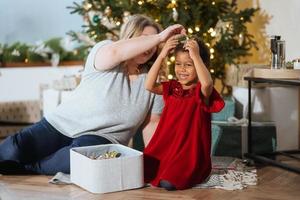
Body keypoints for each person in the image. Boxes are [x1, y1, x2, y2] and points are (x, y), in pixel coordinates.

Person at [0, 15, 186, 175]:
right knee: (12, 149)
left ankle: (29, 169)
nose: (151, 44)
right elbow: (116, 51)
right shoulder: (106, 50)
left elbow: (151, 123)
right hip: (60, 123)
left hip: (103, 137)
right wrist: (160, 36)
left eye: (155, 41)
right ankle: (18, 162)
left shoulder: (154, 82)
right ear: (131, 37)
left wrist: (158, 160)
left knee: (76, 157)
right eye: (146, 38)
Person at [143, 35, 225, 190]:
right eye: (178, 64)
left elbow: (207, 82)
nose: (182, 69)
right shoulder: (172, 87)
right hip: (167, 147)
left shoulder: (202, 92)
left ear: (202, 65)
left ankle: (190, 172)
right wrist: (162, 55)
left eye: (189, 64)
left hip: (189, 154)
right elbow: (149, 85)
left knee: (168, 183)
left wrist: (195, 55)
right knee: (139, 171)